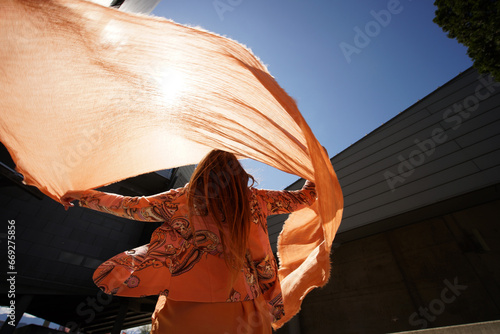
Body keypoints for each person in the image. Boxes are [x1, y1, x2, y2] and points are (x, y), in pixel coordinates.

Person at [62, 149, 316, 333]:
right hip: (245, 309)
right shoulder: (258, 200)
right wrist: (317, 166)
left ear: (203, 171)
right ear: (238, 173)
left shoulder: (181, 199)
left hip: (183, 307)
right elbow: (305, 198)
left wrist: (81, 196)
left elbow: (129, 206)